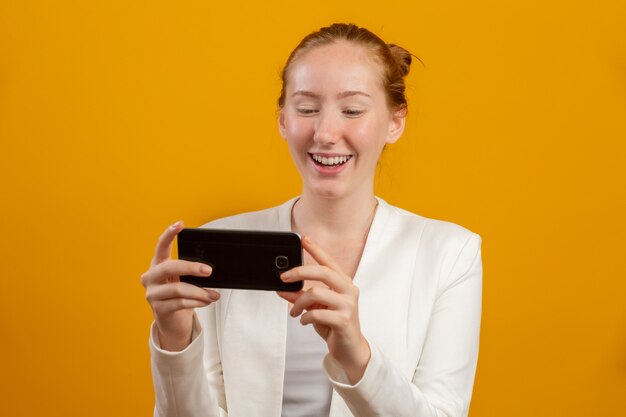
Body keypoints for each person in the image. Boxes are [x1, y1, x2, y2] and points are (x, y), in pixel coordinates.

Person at [141, 23, 482, 417]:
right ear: (283, 119)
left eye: (352, 110)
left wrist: (357, 355)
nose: (325, 133)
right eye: (306, 109)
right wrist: (176, 341)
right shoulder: (224, 244)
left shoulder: (450, 254)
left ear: (395, 122)